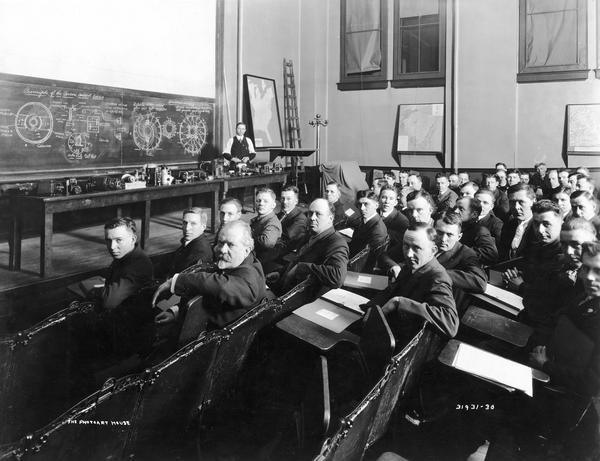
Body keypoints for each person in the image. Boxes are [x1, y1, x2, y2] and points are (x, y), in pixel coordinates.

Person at [153, 220, 266, 333]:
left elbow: (219, 287)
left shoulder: (248, 278)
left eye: (231, 245)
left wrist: (176, 281)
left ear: (247, 250)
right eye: (221, 243)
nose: (222, 249)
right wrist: (175, 312)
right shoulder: (245, 262)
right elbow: (211, 298)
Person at [366, 223, 459, 340]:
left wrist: (400, 302)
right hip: (386, 328)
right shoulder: (413, 265)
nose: (409, 254)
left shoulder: (437, 277)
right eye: (406, 245)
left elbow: (450, 323)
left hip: (396, 340)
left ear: (433, 250)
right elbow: (391, 290)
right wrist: (369, 311)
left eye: (417, 248)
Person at [503, 200, 564, 330]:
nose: (540, 230)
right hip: (524, 309)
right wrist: (515, 276)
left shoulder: (565, 256)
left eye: (546, 224)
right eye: (536, 224)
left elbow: (550, 301)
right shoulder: (537, 246)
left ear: (561, 223)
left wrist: (521, 286)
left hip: (541, 324)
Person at [276, 198, 349, 295]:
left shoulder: (336, 242)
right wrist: (280, 273)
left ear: (330, 218)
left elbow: (337, 278)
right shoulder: (311, 234)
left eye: (318, 214)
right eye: (310, 213)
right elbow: (297, 260)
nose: (312, 218)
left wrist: (302, 267)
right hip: (288, 286)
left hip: (302, 298)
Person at [434, 211, 487, 313]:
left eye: (449, 235)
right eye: (439, 232)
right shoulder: (427, 244)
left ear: (459, 237)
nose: (443, 239)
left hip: (443, 308)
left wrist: (438, 272)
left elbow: (480, 282)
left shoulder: (466, 254)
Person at [157, 207, 213, 278]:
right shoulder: (189, 243)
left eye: (193, 224)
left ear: (203, 227)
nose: (187, 228)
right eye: (185, 223)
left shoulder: (201, 252)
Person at [349, 190, 389, 272]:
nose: (362, 208)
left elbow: (367, 258)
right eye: (360, 204)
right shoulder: (363, 220)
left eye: (366, 204)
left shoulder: (378, 229)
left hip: (362, 269)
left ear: (376, 205)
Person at [455, 197, 499, 265]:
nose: (455, 211)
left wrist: (459, 251)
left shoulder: (479, 231)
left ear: (474, 214)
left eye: (461, 209)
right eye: (455, 208)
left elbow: (490, 254)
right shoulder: (456, 227)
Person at [498, 183, 536, 260]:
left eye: (521, 202)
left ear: (533, 201)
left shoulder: (539, 226)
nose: (516, 207)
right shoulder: (508, 225)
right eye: (512, 202)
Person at [250, 187, 282, 265]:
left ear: (273, 205)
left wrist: (246, 238)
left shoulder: (272, 222)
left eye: (265, 201)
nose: (261, 203)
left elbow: (267, 242)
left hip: (261, 262)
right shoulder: (258, 219)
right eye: (258, 201)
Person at [276, 185, 308, 254]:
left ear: (296, 201)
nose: (284, 202)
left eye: (288, 199)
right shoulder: (280, 214)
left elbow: (284, 238)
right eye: (282, 198)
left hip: (285, 253)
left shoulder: (300, 219)